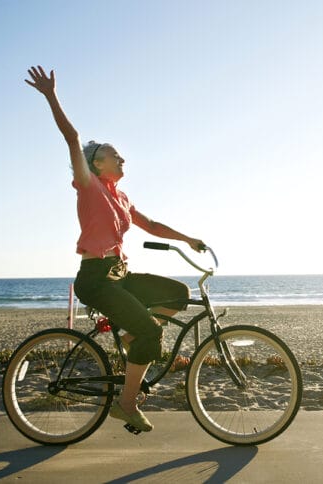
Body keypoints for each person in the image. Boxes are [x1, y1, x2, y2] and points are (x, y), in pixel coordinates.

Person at [26, 65, 205, 432]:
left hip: (119, 277)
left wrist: (187, 238)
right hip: (96, 278)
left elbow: (151, 225)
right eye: (115, 155)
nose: (122, 159)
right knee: (153, 335)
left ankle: (128, 335)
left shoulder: (120, 196)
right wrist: (50, 96)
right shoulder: (87, 185)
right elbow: (72, 138)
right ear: (97, 163)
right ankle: (126, 404)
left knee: (179, 293)